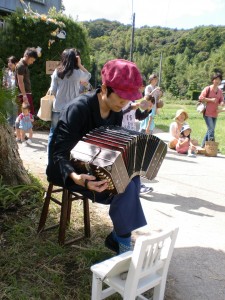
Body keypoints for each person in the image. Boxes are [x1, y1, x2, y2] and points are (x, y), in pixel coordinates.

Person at [46, 59, 148, 255]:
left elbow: (111, 147)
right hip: (67, 170)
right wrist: (76, 178)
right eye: (121, 97)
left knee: (132, 178)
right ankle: (121, 241)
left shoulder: (116, 112)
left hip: (95, 166)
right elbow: (58, 153)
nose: (124, 103)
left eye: (128, 99)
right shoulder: (78, 109)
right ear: (104, 88)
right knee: (125, 188)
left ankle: (120, 238)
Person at [48, 48, 91, 151]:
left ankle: (50, 159)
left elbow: (53, 90)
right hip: (72, 110)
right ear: (74, 59)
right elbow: (88, 76)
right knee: (70, 134)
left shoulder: (57, 72)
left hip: (57, 108)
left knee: (53, 133)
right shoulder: (78, 73)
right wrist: (80, 65)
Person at [122, 94, 155, 195]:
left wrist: (147, 110)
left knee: (135, 161)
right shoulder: (120, 99)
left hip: (132, 134)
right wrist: (130, 107)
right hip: (121, 134)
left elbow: (139, 117)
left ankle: (137, 186)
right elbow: (118, 114)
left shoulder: (133, 100)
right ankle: (134, 186)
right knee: (129, 161)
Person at [199, 73, 224, 148]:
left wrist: (222, 102)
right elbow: (200, 97)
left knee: (210, 129)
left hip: (215, 113)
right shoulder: (208, 88)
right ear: (213, 80)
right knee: (211, 129)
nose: (217, 81)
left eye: (219, 80)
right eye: (216, 79)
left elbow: (221, 99)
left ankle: (203, 146)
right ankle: (211, 147)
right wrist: (210, 100)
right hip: (207, 113)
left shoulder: (219, 91)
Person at [15, 47, 38, 115]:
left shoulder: (23, 65)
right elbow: (20, 82)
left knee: (27, 117)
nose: (32, 62)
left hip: (25, 93)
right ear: (26, 56)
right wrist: (24, 96)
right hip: (23, 94)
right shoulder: (21, 66)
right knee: (25, 116)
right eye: (31, 60)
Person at [2, 56, 18, 127]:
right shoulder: (6, 71)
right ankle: (9, 126)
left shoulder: (18, 71)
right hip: (7, 92)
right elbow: (3, 82)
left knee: (15, 110)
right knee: (8, 110)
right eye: (8, 62)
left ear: (15, 63)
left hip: (15, 92)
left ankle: (15, 126)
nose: (9, 63)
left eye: (11, 62)